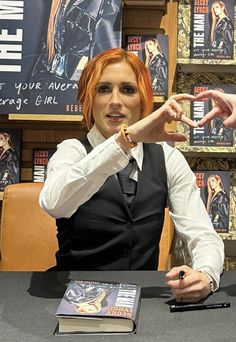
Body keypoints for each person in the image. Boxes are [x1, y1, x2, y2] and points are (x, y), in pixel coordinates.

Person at [39, 48, 224, 303]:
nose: (115, 101)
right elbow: (54, 203)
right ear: (87, 99)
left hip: (139, 301)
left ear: (144, 100)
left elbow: (201, 234)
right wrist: (126, 140)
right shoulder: (72, 151)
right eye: (103, 89)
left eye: (128, 90)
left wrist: (205, 276)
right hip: (72, 303)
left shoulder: (167, 159)